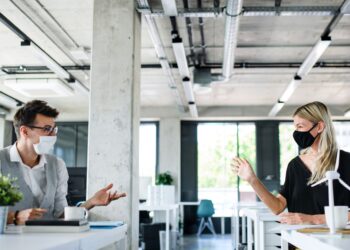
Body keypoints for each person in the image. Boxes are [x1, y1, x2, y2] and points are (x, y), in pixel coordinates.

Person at [0, 100, 126, 225]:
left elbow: (60, 214)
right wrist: (14, 217)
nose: (53, 135)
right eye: (47, 129)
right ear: (25, 131)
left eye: (54, 129)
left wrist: (91, 202)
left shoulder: (57, 165)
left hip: (49, 242)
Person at [231, 101, 350, 224]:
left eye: (300, 126)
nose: (296, 132)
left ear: (319, 127)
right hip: (298, 241)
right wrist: (252, 179)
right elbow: (277, 207)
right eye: (295, 127)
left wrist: (315, 219)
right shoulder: (295, 166)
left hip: (334, 241)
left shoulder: (345, 162)